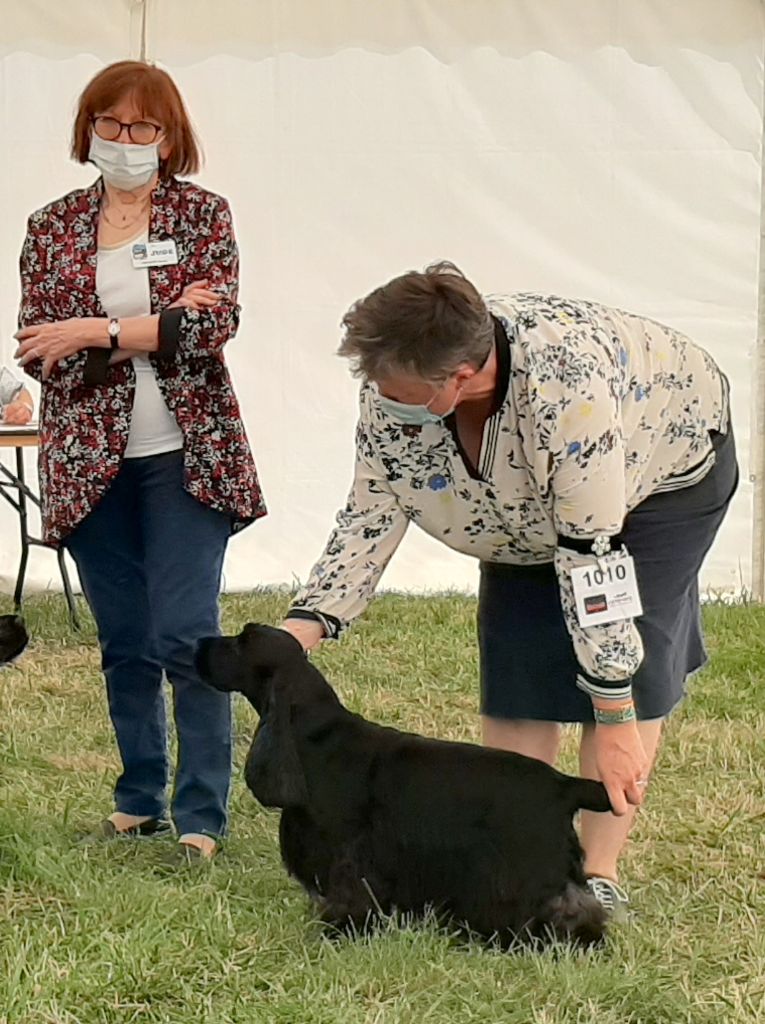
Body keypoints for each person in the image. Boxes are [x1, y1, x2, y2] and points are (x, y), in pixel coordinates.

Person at [280, 261, 737, 918]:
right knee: (519, 654)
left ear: (458, 378)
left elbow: (592, 561)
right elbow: (373, 506)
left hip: (660, 472)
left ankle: (594, 876)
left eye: (391, 385)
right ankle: (507, 844)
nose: (375, 392)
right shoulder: (398, 373)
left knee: (626, 661)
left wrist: (612, 713)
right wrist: (310, 621)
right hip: (520, 500)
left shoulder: (565, 391)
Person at [14, 61, 266, 861]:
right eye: (111, 125)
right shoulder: (51, 225)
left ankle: (202, 814)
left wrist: (95, 330)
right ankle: (138, 796)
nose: (125, 141)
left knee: (187, 634)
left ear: (170, 137)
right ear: (88, 128)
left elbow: (210, 329)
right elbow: (36, 350)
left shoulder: (202, 214)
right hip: (89, 462)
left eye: (143, 128)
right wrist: (155, 323)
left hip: (188, 458)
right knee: (123, 637)